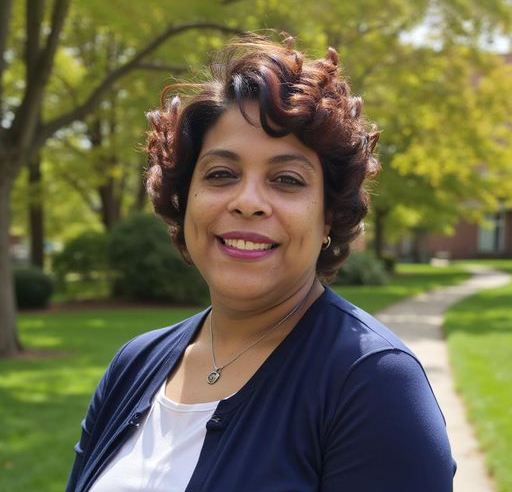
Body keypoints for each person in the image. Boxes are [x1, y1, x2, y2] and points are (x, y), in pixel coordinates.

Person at [66, 33, 456, 492]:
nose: (248, 202)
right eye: (221, 174)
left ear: (328, 215)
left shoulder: (373, 384)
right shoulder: (133, 365)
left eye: (286, 179)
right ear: (184, 200)